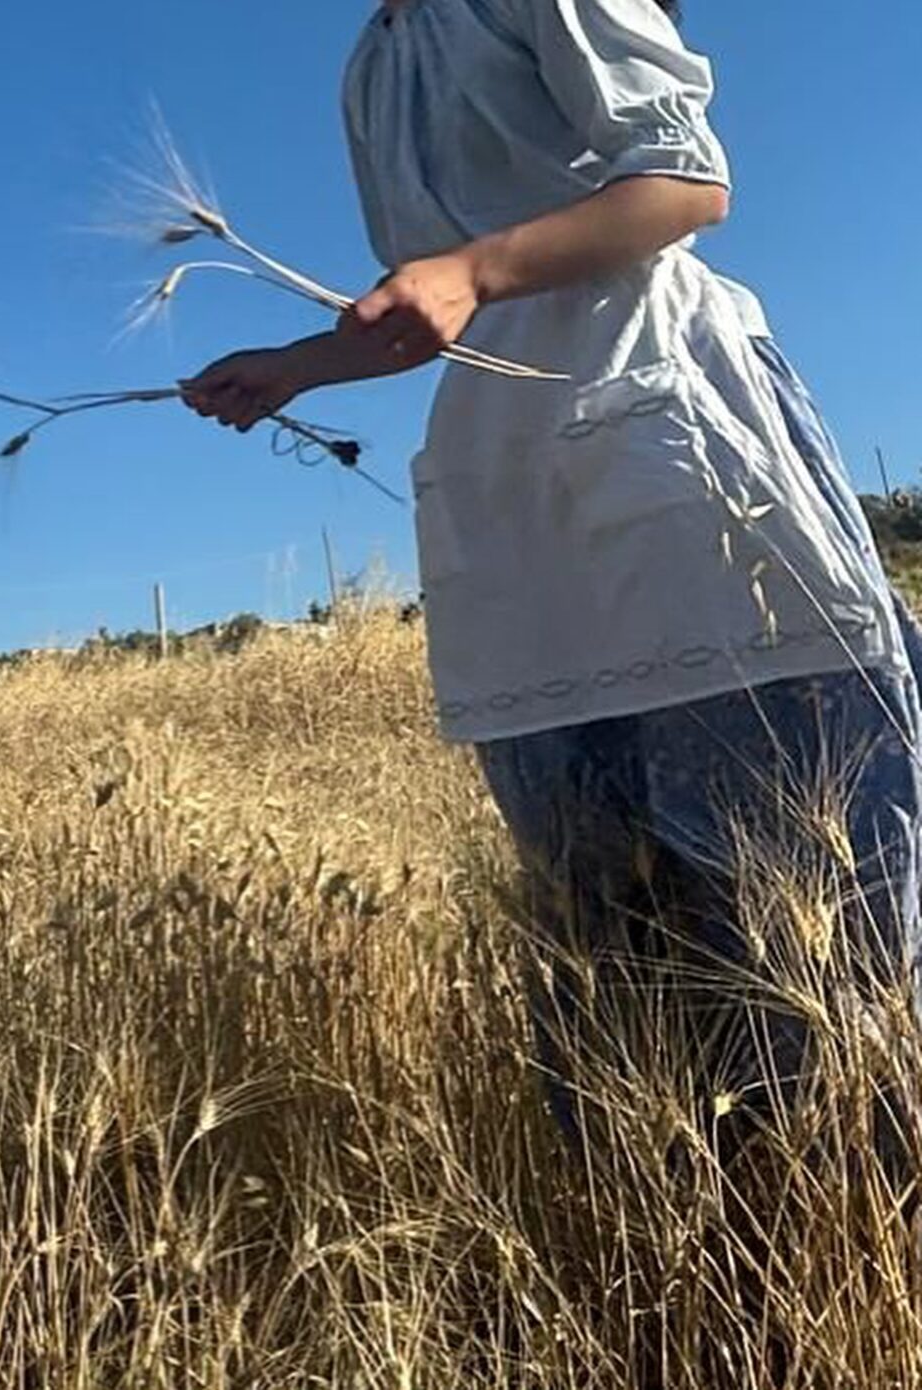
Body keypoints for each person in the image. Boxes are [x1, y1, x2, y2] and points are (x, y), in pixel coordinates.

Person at [181, 0, 922, 1146]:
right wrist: (297, 368)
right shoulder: (375, 58)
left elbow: (685, 181)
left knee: (794, 867)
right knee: (600, 898)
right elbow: (438, 308)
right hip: (510, 471)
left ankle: (856, 1204)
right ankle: (676, 1245)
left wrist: (474, 267)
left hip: (663, 405)